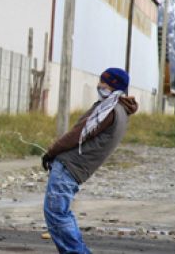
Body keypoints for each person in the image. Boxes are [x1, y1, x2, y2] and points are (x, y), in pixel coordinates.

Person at [41, 68, 138, 254]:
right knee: (60, 211)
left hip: (70, 165)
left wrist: (51, 152)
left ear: (113, 85)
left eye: (104, 83)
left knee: (57, 213)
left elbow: (78, 134)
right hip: (79, 168)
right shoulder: (121, 109)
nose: (100, 86)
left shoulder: (108, 109)